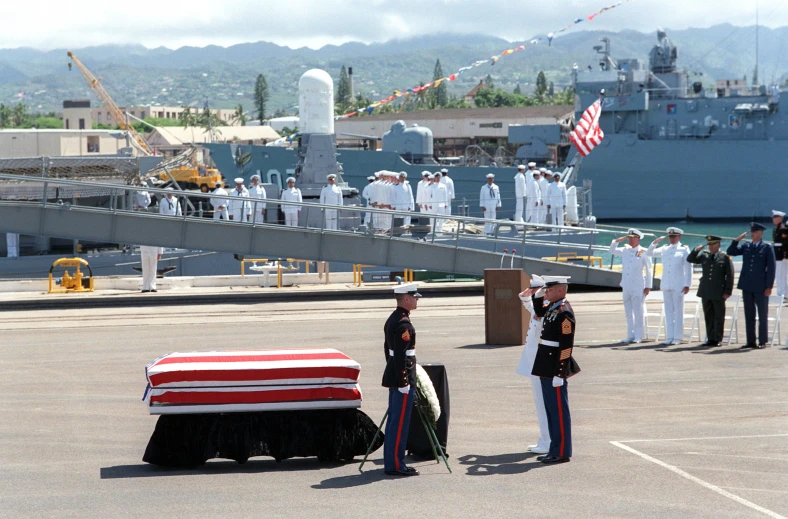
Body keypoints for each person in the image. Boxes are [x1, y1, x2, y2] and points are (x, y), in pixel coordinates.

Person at [530, 276, 580, 464]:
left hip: (554, 368)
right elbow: (538, 310)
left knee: (559, 411)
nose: (546, 293)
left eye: (549, 290)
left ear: (560, 290)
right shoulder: (553, 308)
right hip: (546, 365)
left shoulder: (564, 312)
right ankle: (554, 448)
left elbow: (566, 346)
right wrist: (537, 293)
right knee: (551, 410)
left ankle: (561, 451)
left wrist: (560, 374)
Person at [381, 282, 421, 477]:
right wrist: (403, 381)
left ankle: (393, 461)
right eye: (414, 297)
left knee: (394, 422)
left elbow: (388, 352)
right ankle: (396, 464)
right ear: (406, 299)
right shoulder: (403, 323)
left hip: (395, 377)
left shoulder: (394, 318)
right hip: (402, 381)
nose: (417, 299)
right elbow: (400, 356)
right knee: (399, 424)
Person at [727, 223, 776, 348]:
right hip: (747, 285)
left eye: (755, 232)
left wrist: (769, 286)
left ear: (761, 233)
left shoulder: (767, 247)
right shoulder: (746, 245)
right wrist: (736, 240)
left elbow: (771, 268)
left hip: (761, 286)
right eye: (751, 232)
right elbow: (731, 251)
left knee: (762, 314)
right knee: (749, 314)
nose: (752, 234)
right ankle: (750, 341)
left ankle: (762, 341)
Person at [516, 274, 550, 455]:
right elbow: (531, 307)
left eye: (537, 291)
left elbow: (535, 311)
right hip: (535, 362)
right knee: (541, 403)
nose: (534, 294)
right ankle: (545, 439)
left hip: (541, 363)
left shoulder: (546, 311)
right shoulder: (541, 309)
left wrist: (529, 298)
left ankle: (547, 441)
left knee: (543, 403)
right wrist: (524, 296)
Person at [647, 227, 692, 345]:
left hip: (678, 284)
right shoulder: (664, 249)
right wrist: (655, 242)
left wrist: (687, 284)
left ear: (679, 237)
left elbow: (688, 268)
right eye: (670, 237)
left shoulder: (684, 250)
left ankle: (677, 337)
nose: (672, 239)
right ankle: (669, 336)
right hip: (666, 284)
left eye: (674, 237)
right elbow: (649, 253)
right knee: (668, 311)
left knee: (678, 311)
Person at [687, 235, 734, 346]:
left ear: (718, 245)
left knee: (718, 316)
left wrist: (728, 291)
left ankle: (717, 339)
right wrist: (696, 250)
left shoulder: (725, 257)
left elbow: (730, 275)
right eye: (709, 245)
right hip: (706, 291)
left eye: (713, 244)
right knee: (708, 316)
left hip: (718, 292)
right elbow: (690, 259)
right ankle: (710, 338)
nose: (711, 247)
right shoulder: (704, 256)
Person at [610, 229, 653, 343]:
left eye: (632, 237)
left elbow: (649, 270)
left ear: (638, 239)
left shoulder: (644, 252)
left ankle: (638, 336)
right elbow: (612, 250)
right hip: (626, 285)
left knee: (638, 311)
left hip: (638, 285)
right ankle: (630, 335)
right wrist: (617, 241)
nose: (630, 239)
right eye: (629, 237)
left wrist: (648, 286)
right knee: (628, 312)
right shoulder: (625, 250)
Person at [771, 210, 788, 297]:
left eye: (775, 217)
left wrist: (785, 255)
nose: (773, 219)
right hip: (777, 254)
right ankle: (782, 293)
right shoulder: (776, 228)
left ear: (780, 218)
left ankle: (783, 293)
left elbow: (785, 242)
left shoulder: (784, 229)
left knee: (781, 275)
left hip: (781, 255)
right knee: (779, 275)